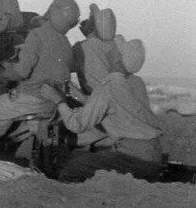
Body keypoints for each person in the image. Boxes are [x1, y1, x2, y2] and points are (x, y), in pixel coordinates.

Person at [41, 35, 163, 182]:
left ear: (117, 60)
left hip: (134, 158)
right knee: (85, 160)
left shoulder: (108, 87)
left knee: (72, 170)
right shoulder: (137, 82)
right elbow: (115, 107)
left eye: (111, 52)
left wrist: (58, 100)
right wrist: (80, 96)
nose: (107, 54)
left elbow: (77, 124)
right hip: (153, 154)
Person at [0, 0, 80, 157]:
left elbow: (22, 72)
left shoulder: (37, 35)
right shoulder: (66, 43)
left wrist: (6, 71)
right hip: (51, 105)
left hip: (30, 101)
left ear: (53, 12)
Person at [73, 3, 125, 95]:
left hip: (95, 98)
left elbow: (64, 63)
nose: (85, 21)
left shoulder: (83, 47)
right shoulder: (116, 46)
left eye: (90, 19)